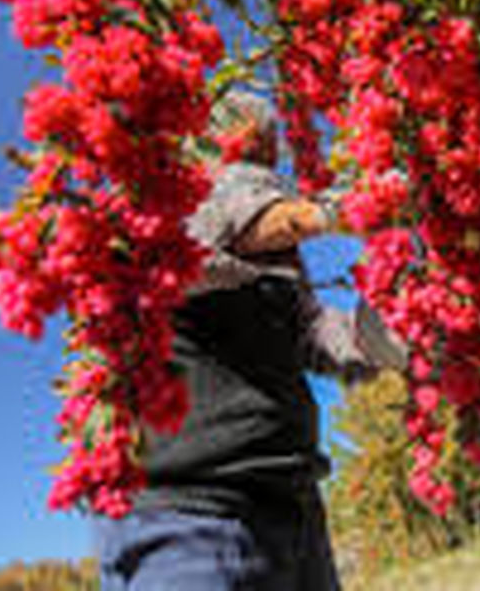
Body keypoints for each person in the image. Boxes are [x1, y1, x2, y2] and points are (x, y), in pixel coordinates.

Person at [95, 91, 406, 591]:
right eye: (256, 157)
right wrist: (336, 211)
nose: (269, 174)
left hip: (292, 507)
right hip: (189, 522)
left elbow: (311, 332)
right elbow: (221, 232)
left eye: (270, 158)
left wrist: (378, 336)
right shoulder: (158, 221)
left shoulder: (273, 258)